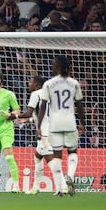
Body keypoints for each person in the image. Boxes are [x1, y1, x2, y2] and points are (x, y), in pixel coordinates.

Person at [8, 76, 68, 196]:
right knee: (37, 157)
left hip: (44, 132)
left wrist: (14, 116)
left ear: (36, 84)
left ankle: (63, 186)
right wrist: (29, 121)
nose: (28, 84)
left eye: (30, 82)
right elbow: (42, 114)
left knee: (49, 158)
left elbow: (29, 112)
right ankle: (36, 187)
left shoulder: (36, 94)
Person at [37, 55, 85, 196]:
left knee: (57, 155)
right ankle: (70, 175)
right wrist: (83, 122)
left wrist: (39, 126)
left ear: (57, 66)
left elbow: (43, 106)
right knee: (72, 152)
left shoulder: (48, 84)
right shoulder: (74, 83)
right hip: (70, 121)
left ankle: (59, 189)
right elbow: (80, 105)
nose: (52, 66)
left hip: (54, 123)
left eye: (53, 64)